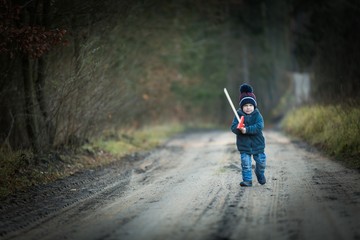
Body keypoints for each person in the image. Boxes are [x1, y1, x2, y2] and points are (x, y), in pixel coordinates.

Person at [230, 83, 266, 187]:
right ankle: (247, 180)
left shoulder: (257, 115)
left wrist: (247, 130)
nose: (248, 108)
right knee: (246, 164)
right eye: (245, 105)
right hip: (244, 145)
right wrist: (239, 129)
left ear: (254, 106)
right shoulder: (238, 115)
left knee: (261, 163)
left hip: (258, 144)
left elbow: (259, 126)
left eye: (250, 105)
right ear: (242, 107)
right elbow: (233, 127)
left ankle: (260, 174)